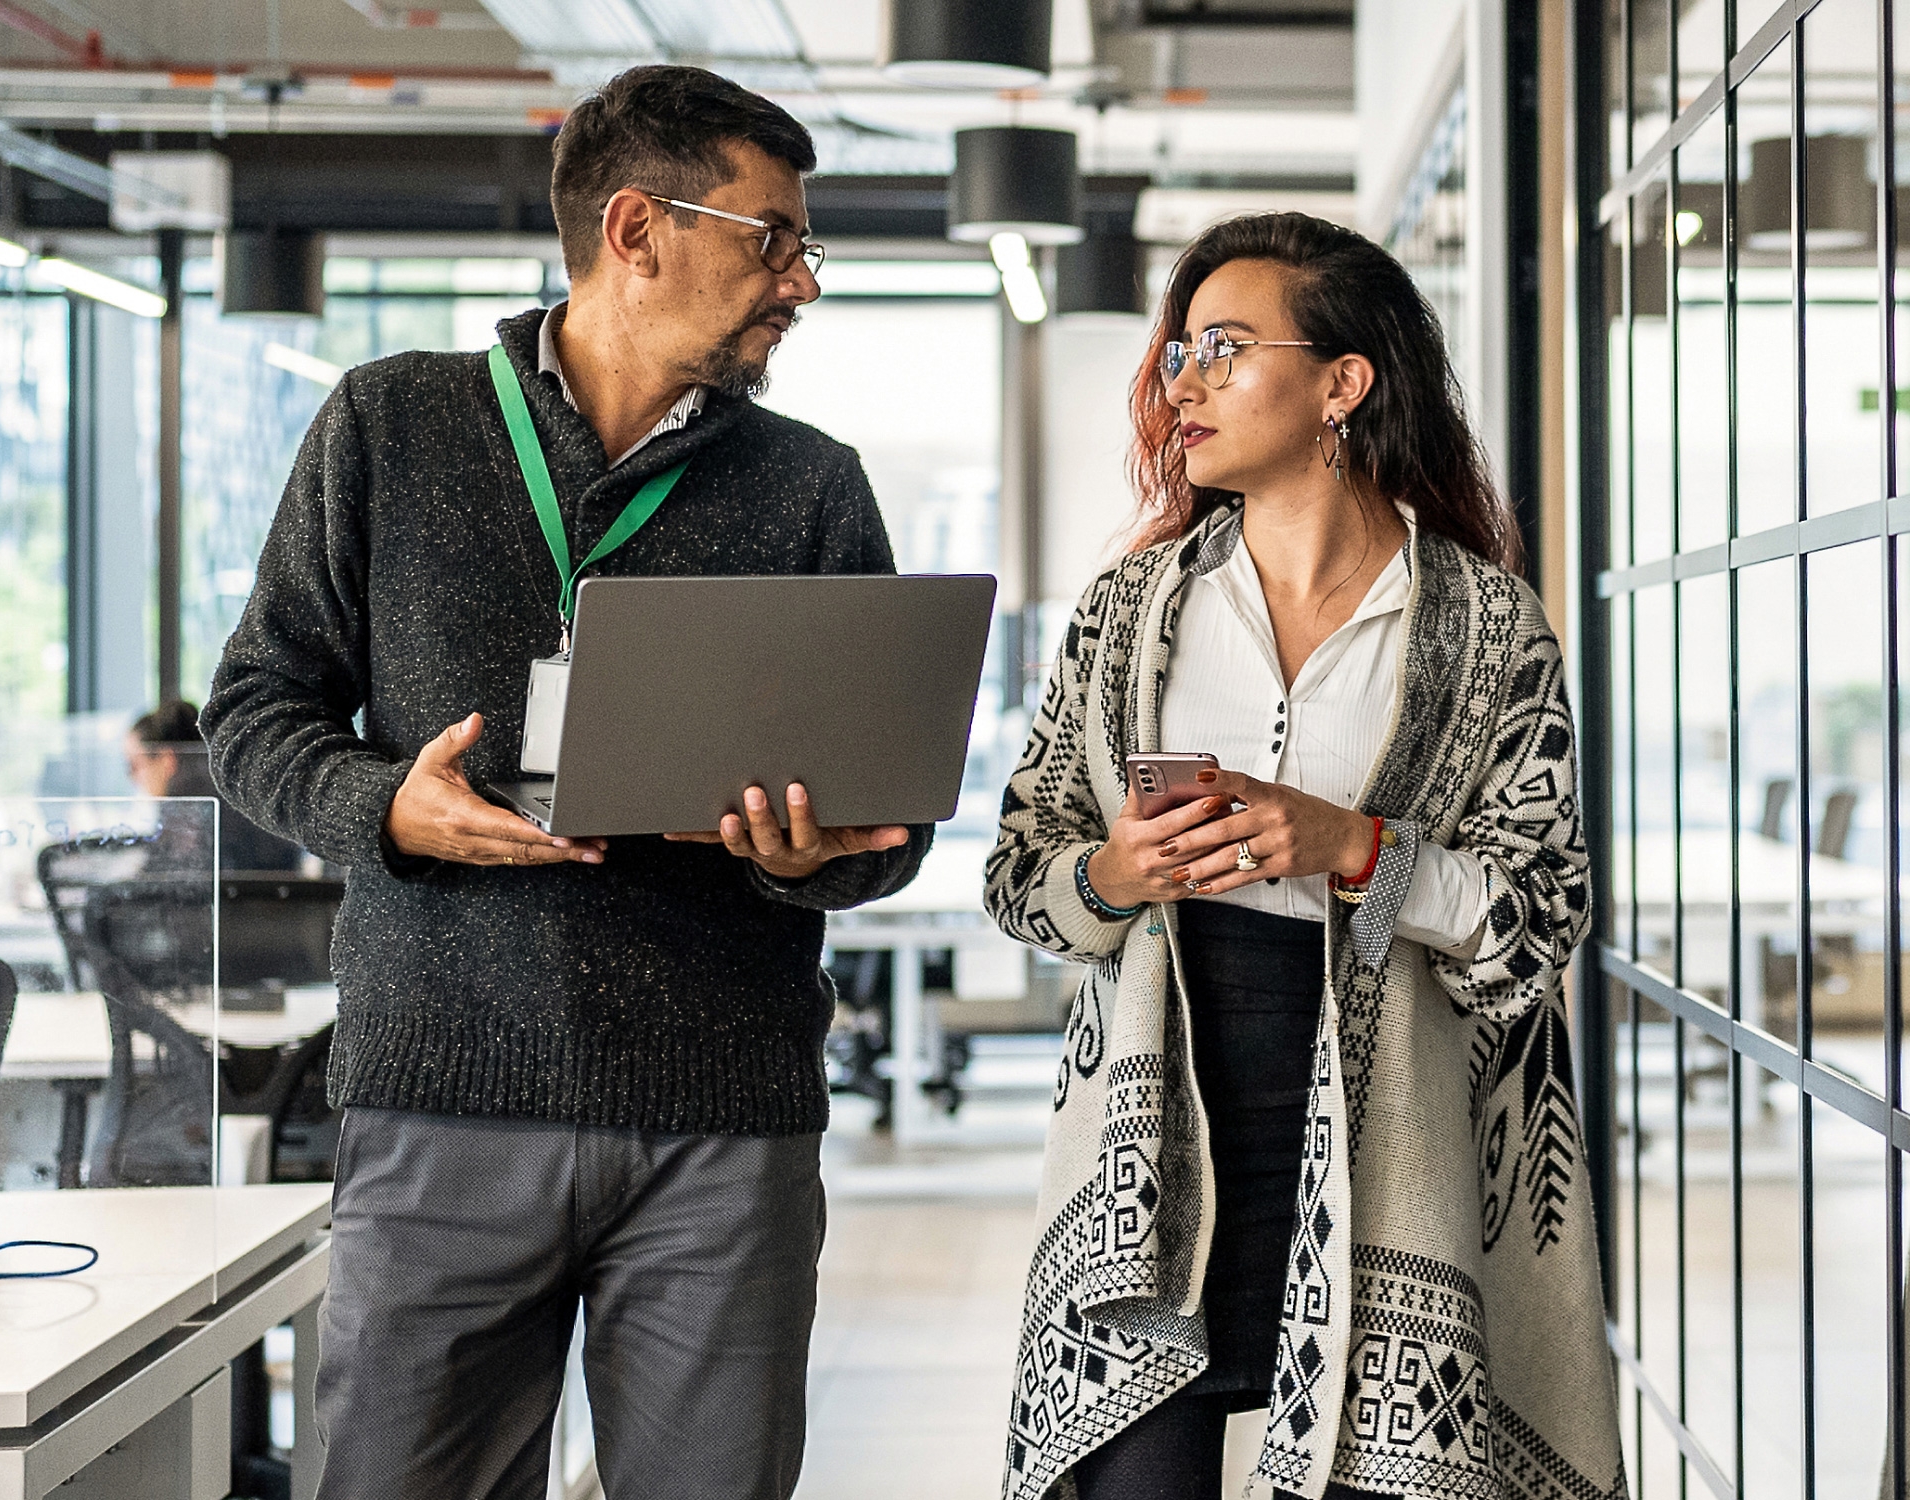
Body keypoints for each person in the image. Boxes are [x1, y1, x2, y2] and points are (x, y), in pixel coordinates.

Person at [200, 66, 930, 1500]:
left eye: (803, 247)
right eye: (771, 240)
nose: (801, 284)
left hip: (722, 1119)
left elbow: (886, 823)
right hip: (443, 1101)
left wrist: (811, 856)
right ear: (637, 228)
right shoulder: (389, 426)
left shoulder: (814, 485)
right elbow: (255, 712)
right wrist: (386, 812)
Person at [984, 213, 1623, 1500]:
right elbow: (1019, 870)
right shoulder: (1129, 613)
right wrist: (1118, 873)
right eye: (1178, 356)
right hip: (1154, 1135)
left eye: (1224, 349)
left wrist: (1359, 847)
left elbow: (1545, 911)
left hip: (1386, 1137)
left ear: (1341, 382)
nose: (1185, 386)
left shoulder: (1488, 625)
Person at [124, 698, 304, 872]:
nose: (131, 777)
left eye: (134, 765)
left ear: (167, 761)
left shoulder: (190, 808)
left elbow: (164, 879)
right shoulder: (225, 788)